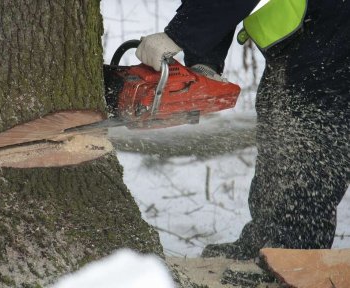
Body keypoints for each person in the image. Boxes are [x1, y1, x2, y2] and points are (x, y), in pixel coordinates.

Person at [136, 0, 350, 260]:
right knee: (279, 124)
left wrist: (179, 34)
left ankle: (293, 258)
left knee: (310, 141)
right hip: (310, 34)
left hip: (335, 32)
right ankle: (265, 241)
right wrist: (204, 62)